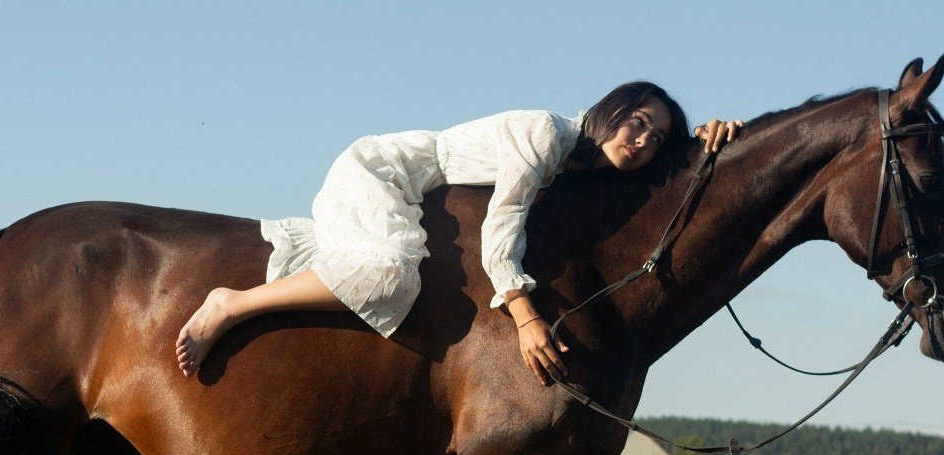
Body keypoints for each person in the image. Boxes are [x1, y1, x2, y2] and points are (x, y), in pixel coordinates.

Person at [175, 82, 742, 383]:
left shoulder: (583, 168)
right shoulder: (545, 136)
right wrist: (526, 318)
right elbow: (502, 226)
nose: (643, 139)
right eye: (638, 121)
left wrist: (713, 137)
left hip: (415, 191)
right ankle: (234, 303)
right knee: (390, 276)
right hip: (385, 171)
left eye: (658, 138)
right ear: (610, 109)